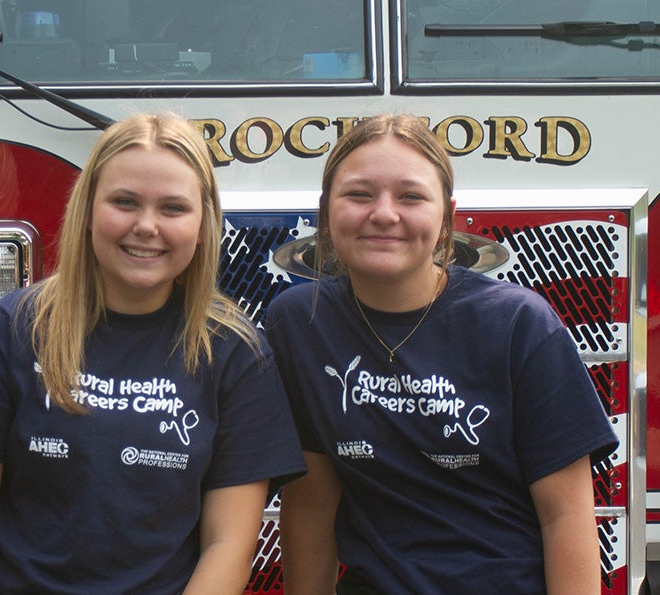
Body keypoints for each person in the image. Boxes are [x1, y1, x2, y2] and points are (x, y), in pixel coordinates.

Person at [0, 113, 306, 594]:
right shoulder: (11, 330)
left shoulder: (237, 353)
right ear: (87, 211)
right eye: (124, 202)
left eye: (173, 208)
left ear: (204, 225)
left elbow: (229, 546)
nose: (146, 226)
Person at [263, 113, 619, 594]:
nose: (384, 214)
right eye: (359, 194)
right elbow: (310, 506)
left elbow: (566, 514)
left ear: (447, 214)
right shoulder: (299, 323)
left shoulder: (519, 325)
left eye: (411, 196)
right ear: (326, 209)